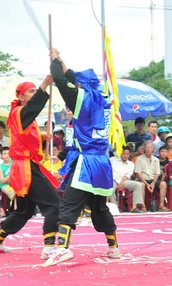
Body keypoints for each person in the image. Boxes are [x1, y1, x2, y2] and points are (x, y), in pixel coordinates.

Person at [42, 49, 120, 267]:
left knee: (68, 205)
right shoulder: (102, 98)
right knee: (98, 207)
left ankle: (63, 249)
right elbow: (72, 77)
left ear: (80, 86)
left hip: (87, 162)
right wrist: (61, 60)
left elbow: (59, 78)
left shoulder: (80, 99)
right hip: (103, 162)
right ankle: (113, 248)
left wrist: (54, 61)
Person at [0, 75, 61, 256]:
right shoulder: (21, 112)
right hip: (26, 168)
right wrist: (45, 84)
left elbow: (24, 137)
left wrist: (43, 137)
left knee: (24, 210)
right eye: (31, 91)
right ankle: (49, 247)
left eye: (36, 90)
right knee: (54, 205)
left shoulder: (21, 114)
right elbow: (35, 106)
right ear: (21, 97)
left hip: (23, 166)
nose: (35, 94)